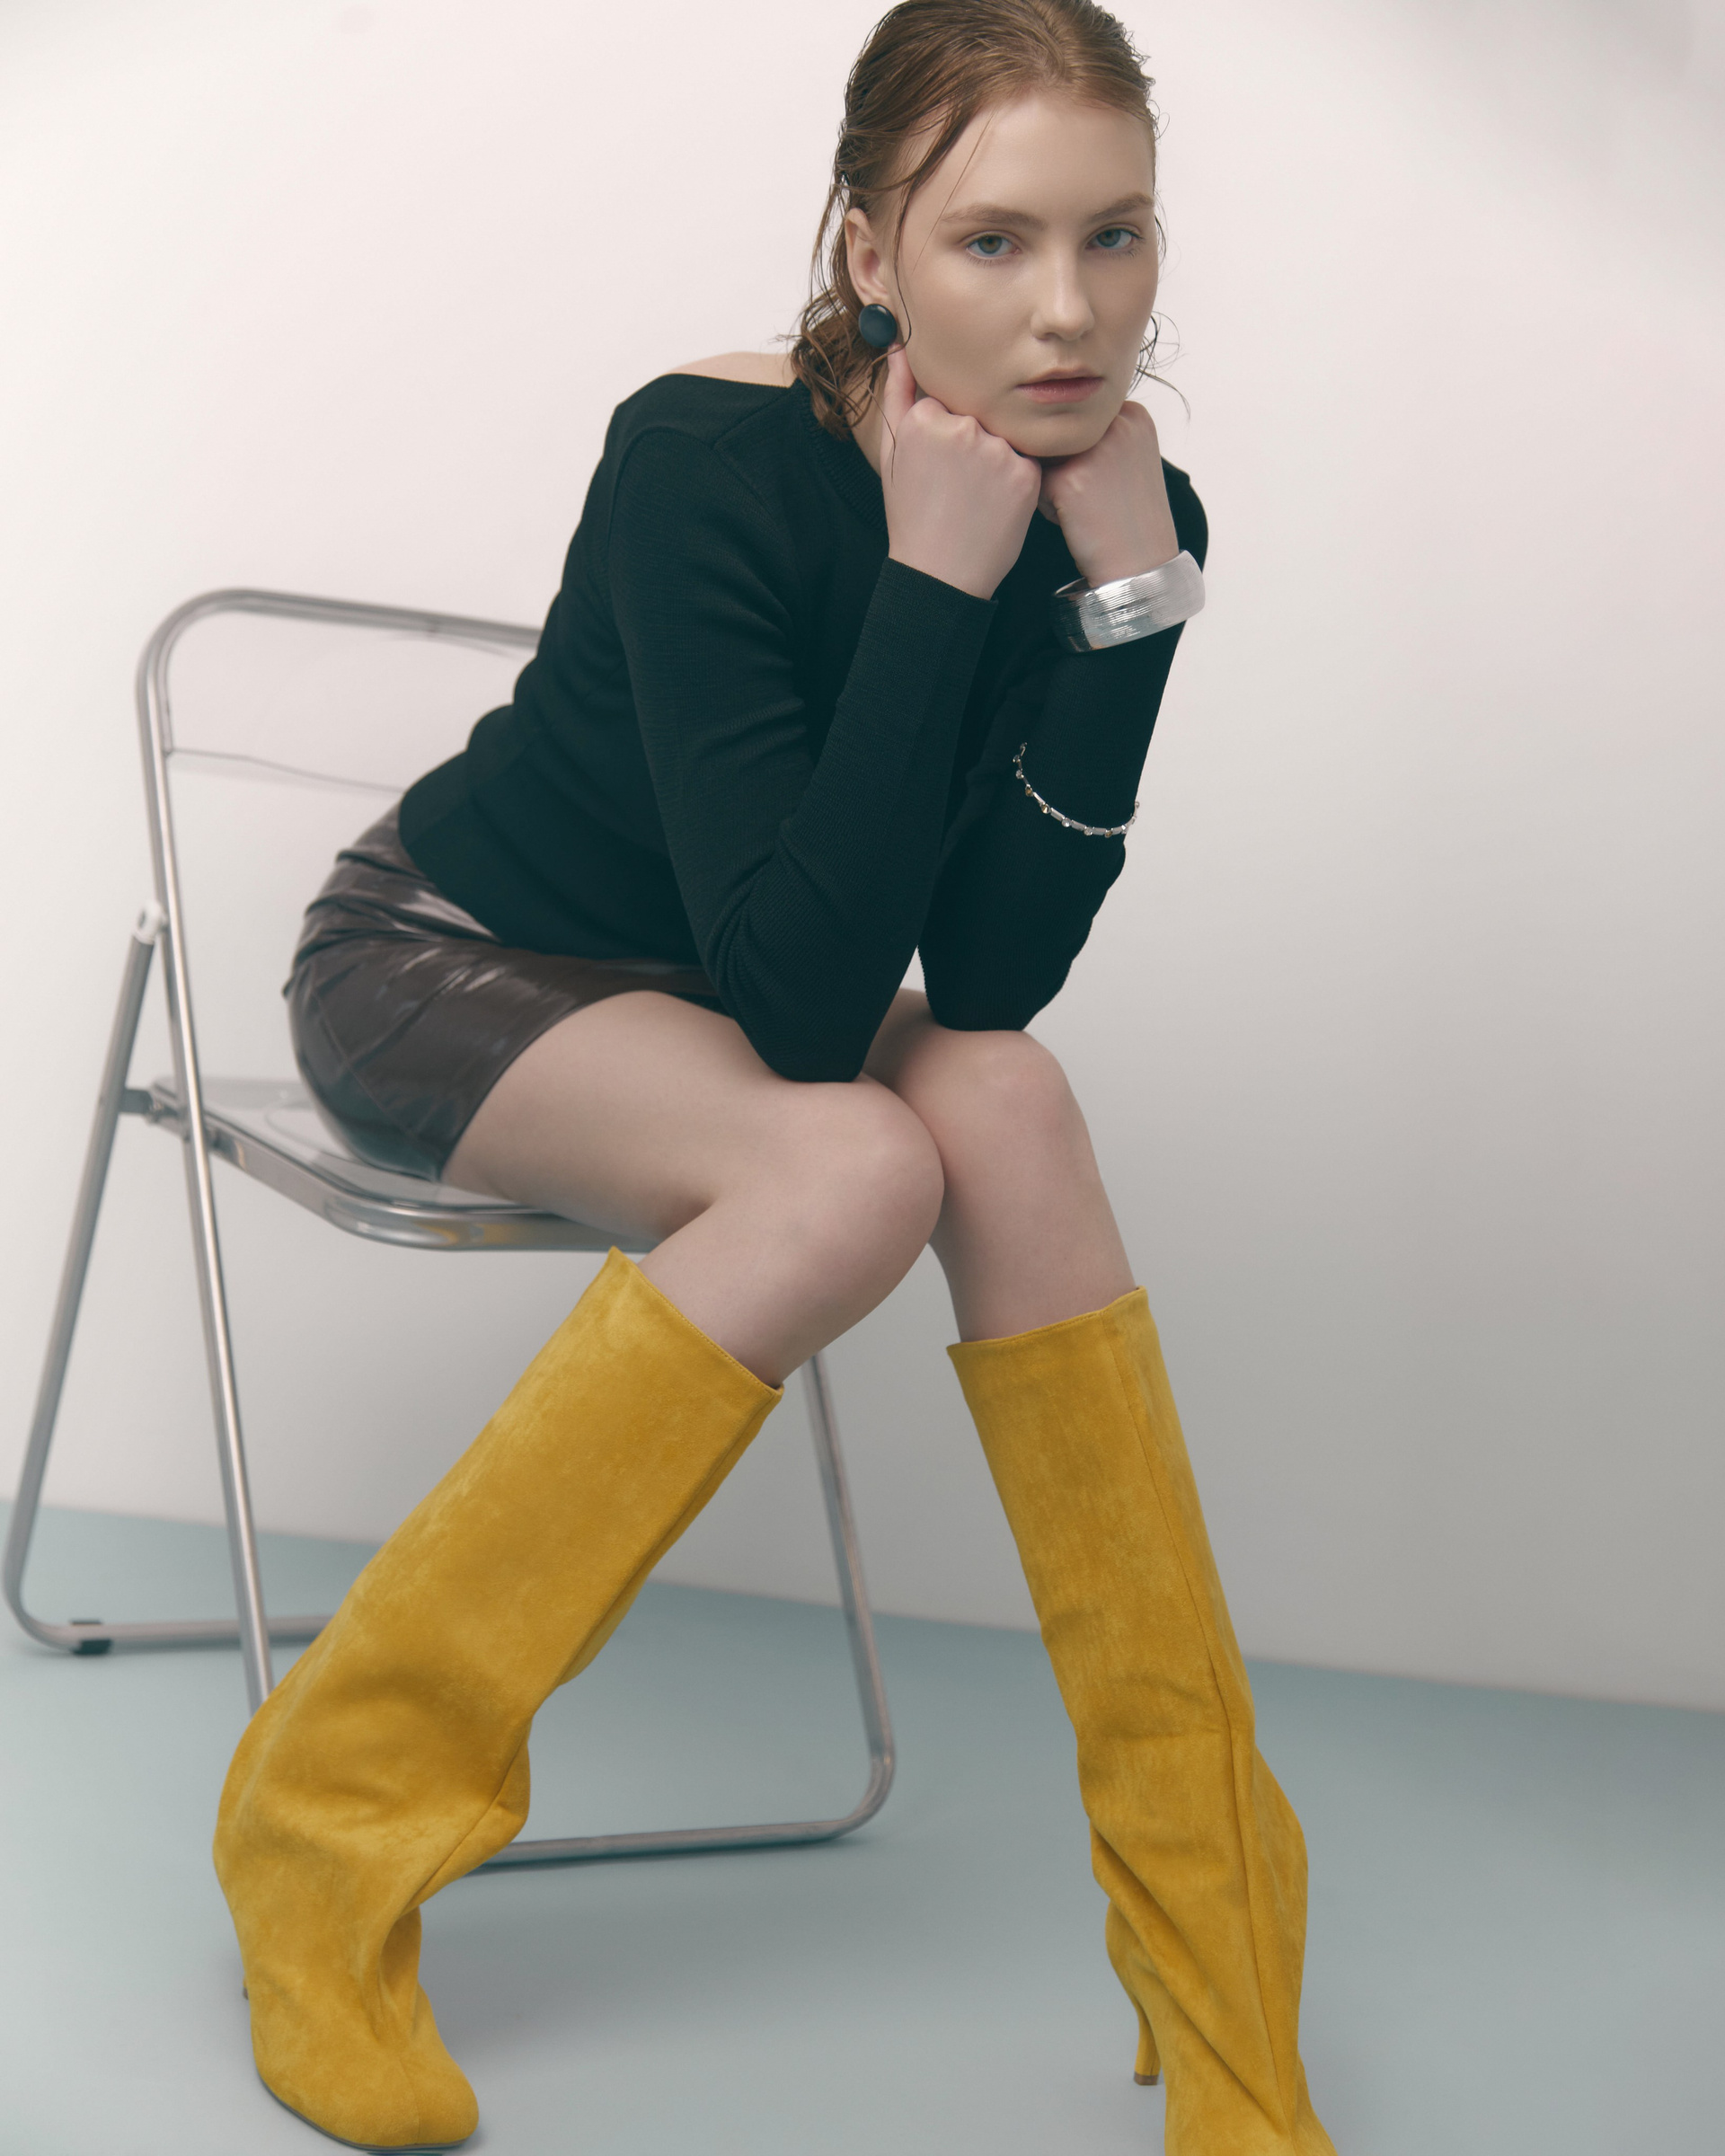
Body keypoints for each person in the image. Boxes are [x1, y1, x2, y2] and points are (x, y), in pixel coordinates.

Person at [211, 3, 1337, 2151]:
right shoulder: (697, 464)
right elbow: (815, 1020)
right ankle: (326, 1819)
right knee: (849, 1169)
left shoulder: (1128, 506)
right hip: (450, 960)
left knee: (1005, 1107)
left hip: (720, 992)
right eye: (994, 240)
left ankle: (1221, 1959)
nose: (1071, 309)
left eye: (1114, 235)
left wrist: (1131, 596)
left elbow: (986, 979)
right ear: (868, 252)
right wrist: (936, 572)